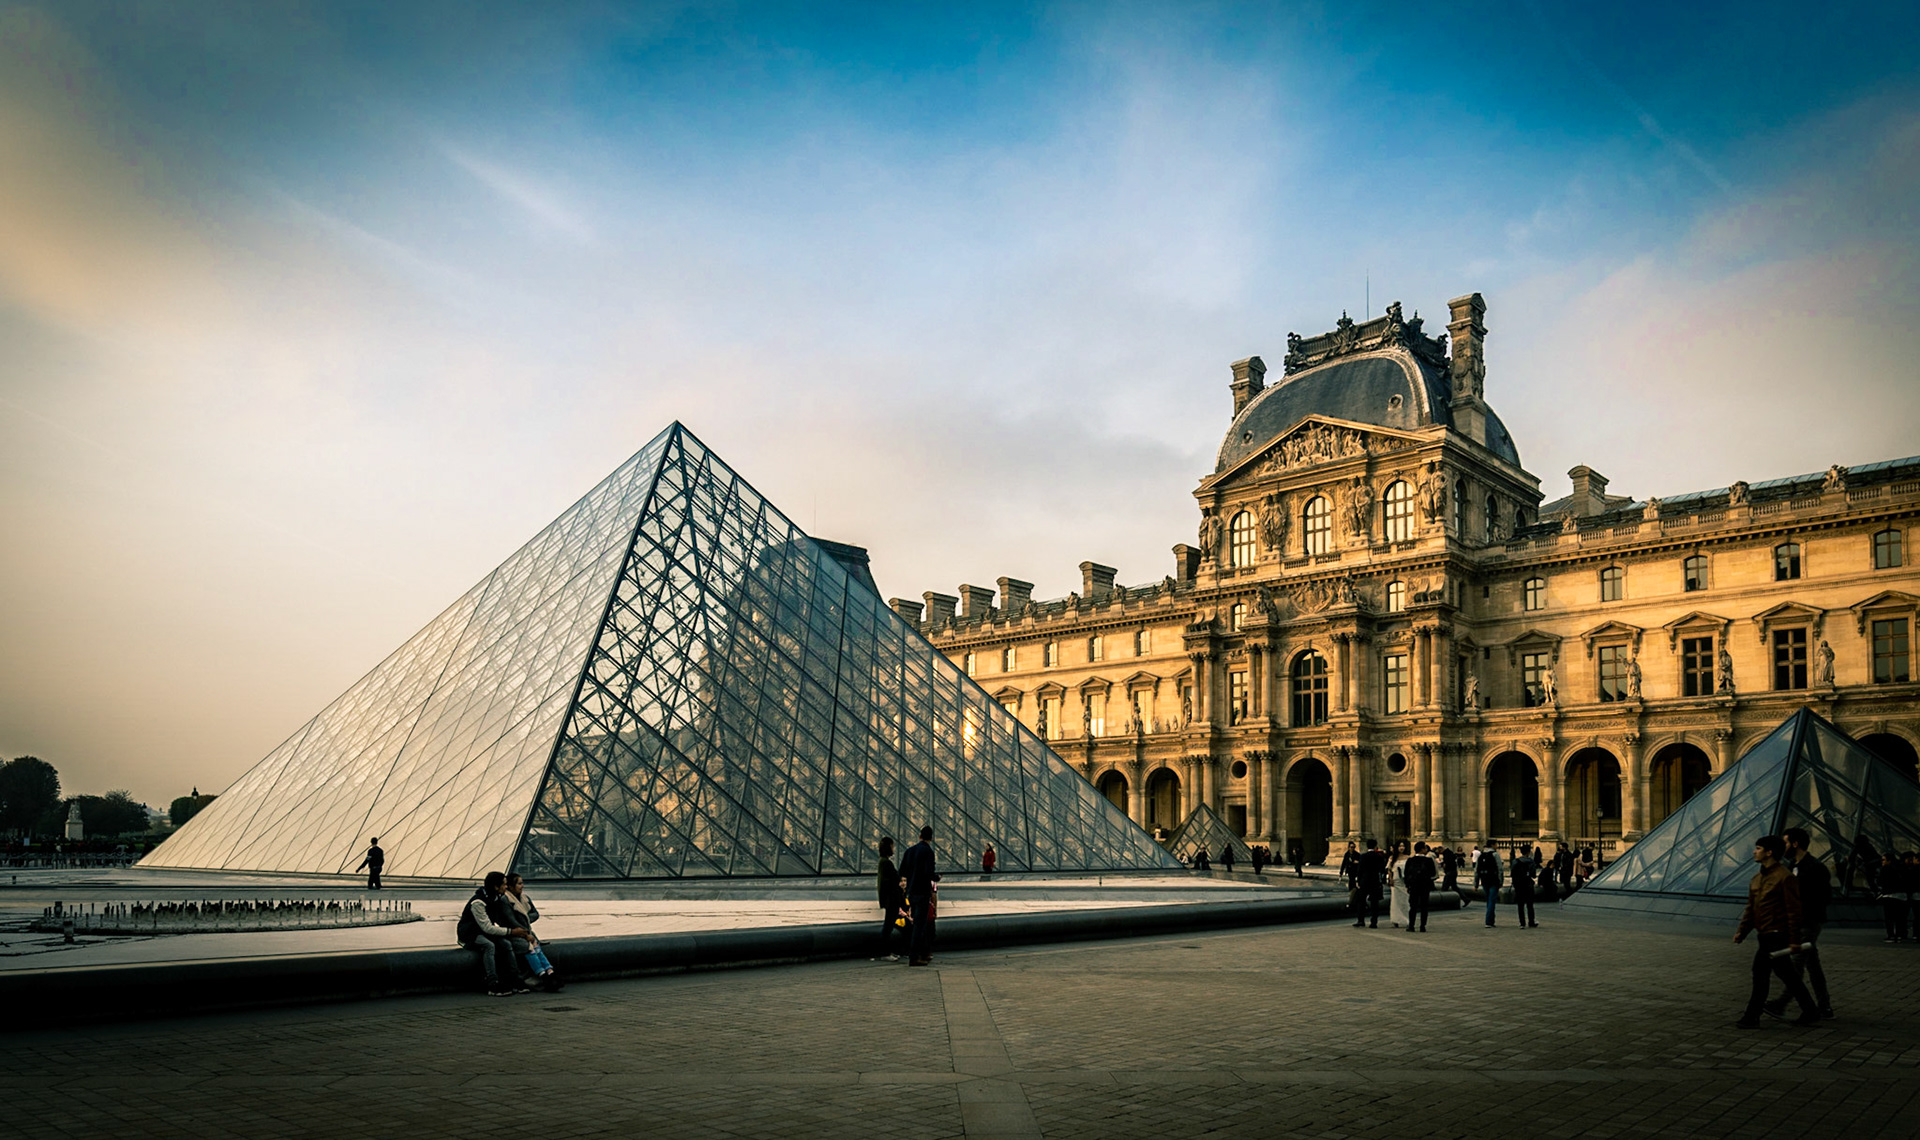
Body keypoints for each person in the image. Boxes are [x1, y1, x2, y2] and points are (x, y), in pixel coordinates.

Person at [1734, 835, 1818, 1027]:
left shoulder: (1785, 877)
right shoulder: (1757, 879)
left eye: (1758, 848)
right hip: (1764, 935)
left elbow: (1794, 911)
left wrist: (1794, 940)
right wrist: (1742, 931)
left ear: (1769, 852)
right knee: (1787, 975)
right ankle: (1810, 1010)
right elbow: (1750, 908)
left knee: (1760, 974)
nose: (1754, 851)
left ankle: (1751, 1016)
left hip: (1777, 935)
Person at [1767, 828, 1832, 1020]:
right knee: (1813, 966)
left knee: (1796, 966)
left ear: (1795, 844)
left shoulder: (1815, 867)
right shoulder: (1792, 865)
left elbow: (1823, 897)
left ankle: (1781, 1003)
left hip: (1808, 922)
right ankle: (1825, 1007)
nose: (1783, 846)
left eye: (1785, 842)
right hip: (1799, 922)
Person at [456, 871, 533, 996]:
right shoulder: (478, 903)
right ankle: (493, 983)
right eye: (504, 885)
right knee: (489, 946)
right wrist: (512, 931)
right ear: (496, 887)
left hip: (483, 932)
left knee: (506, 944)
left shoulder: (496, 898)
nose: (506, 887)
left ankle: (515, 979)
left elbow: (498, 920)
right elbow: (488, 928)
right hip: (470, 934)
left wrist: (519, 931)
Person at [503, 872, 561, 991]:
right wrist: (525, 928)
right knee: (529, 947)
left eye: (522, 883)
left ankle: (549, 973)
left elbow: (535, 914)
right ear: (511, 886)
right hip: (515, 934)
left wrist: (525, 919)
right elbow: (511, 921)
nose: (522, 886)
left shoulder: (525, 898)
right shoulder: (505, 900)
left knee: (535, 947)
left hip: (526, 933)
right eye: (519, 883)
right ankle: (545, 975)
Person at [899, 826, 940, 967]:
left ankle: (922, 954)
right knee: (920, 926)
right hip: (922, 893)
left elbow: (902, 870)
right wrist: (937, 877)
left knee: (917, 923)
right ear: (931, 838)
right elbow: (929, 873)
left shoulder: (909, 851)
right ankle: (915, 957)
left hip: (911, 892)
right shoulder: (928, 851)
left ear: (919, 836)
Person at [873, 837, 904, 962]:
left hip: (888, 899)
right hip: (891, 900)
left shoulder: (883, 862)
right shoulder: (886, 863)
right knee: (888, 927)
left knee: (889, 926)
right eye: (892, 846)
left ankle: (886, 951)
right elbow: (893, 880)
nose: (893, 848)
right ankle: (884, 952)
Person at [1353, 840, 1388, 929]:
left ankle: (1361, 920)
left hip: (1364, 881)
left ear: (1367, 846)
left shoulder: (1363, 856)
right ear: (1375, 846)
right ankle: (1374, 922)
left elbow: (1360, 869)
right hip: (1375, 881)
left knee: (1361, 901)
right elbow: (1382, 869)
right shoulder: (1379, 856)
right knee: (1374, 902)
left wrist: (1358, 880)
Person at [1404, 842, 1437, 933]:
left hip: (1413, 886)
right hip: (1425, 886)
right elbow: (1433, 873)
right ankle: (1422, 926)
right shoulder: (1429, 860)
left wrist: (1407, 885)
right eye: (1425, 848)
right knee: (1424, 906)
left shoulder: (1410, 860)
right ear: (1422, 849)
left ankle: (1411, 926)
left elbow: (1406, 874)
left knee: (1413, 906)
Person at [1879, 852, 1907, 942]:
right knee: (1900, 917)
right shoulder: (1902, 868)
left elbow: (1880, 881)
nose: (1882, 862)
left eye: (1883, 860)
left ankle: (1891, 935)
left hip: (1889, 895)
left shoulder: (1885, 869)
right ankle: (1900, 935)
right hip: (1901, 896)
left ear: (1889, 861)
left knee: (1889, 917)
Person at [1510, 846, 1539, 928]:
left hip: (1518, 885)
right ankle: (1531, 922)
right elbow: (1533, 875)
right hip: (1528, 884)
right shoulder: (1531, 862)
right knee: (1530, 904)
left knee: (1520, 905)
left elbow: (1512, 874)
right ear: (1528, 852)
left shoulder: (1515, 861)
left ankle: (1522, 923)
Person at [1475, 847, 1501, 927]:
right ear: (1493, 845)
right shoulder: (1495, 855)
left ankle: (1491, 920)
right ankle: (1489, 921)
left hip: (1484, 880)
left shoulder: (1481, 856)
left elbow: (1476, 871)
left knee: (1489, 900)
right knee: (1492, 901)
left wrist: (1475, 884)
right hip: (1493, 881)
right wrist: (1501, 881)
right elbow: (1500, 869)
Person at [1388, 841, 1410, 929]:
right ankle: (1396, 919)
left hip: (1405, 881)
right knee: (1395, 901)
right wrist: (1390, 879)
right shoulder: (1392, 858)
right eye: (1400, 846)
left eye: (1403, 846)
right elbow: (1389, 869)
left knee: (1405, 901)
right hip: (1396, 881)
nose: (1402, 847)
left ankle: (1407, 919)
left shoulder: (1408, 858)